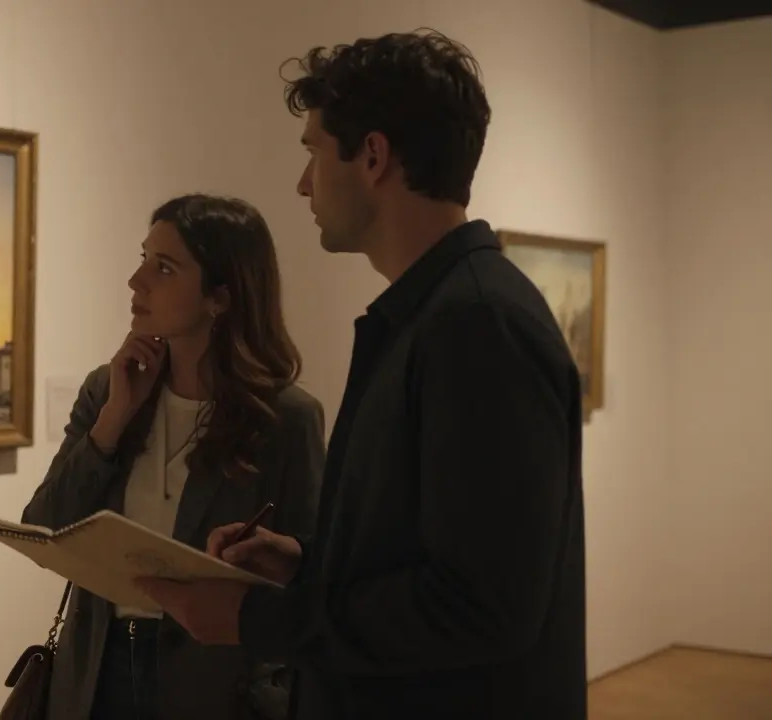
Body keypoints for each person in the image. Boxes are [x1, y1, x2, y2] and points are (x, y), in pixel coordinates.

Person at [138, 30, 589, 719]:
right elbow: (428, 550)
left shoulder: (476, 324)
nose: (302, 182)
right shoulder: (433, 317)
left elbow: (483, 607)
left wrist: (255, 620)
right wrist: (304, 563)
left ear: (373, 157)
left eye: (314, 152)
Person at [20, 193, 325, 720]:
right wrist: (114, 420)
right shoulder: (107, 391)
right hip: (96, 672)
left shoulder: (284, 419)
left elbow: (311, 580)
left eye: (163, 267)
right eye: (143, 259)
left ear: (221, 298)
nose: (136, 282)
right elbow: (45, 526)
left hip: (216, 685)